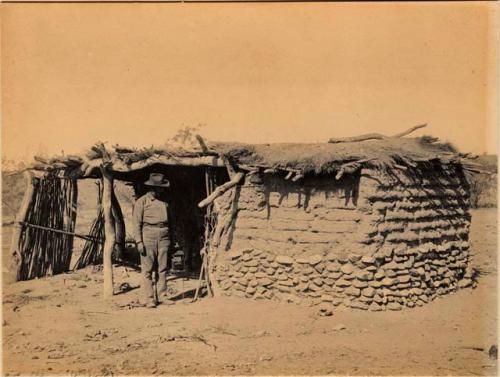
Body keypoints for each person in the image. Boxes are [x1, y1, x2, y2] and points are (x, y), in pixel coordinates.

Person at [132, 172, 172, 308]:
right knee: (147, 269)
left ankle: (162, 296)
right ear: (152, 188)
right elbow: (136, 223)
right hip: (148, 235)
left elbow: (170, 221)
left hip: (164, 236)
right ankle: (148, 298)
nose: (162, 190)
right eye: (160, 187)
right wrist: (139, 242)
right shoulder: (141, 202)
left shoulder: (165, 202)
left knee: (162, 268)